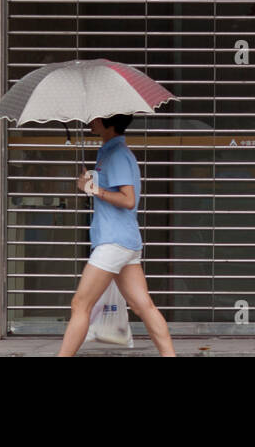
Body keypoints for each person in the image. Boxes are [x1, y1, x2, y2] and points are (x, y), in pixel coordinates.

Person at [57, 113, 176, 357]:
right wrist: (91, 184)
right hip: (125, 242)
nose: (90, 121)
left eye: (95, 118)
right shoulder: (111, 152)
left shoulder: (117, 155)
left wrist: (94, 189)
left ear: (107, 122)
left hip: (113, 243)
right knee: (143, 305)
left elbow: (128, 199)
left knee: (80, 304)